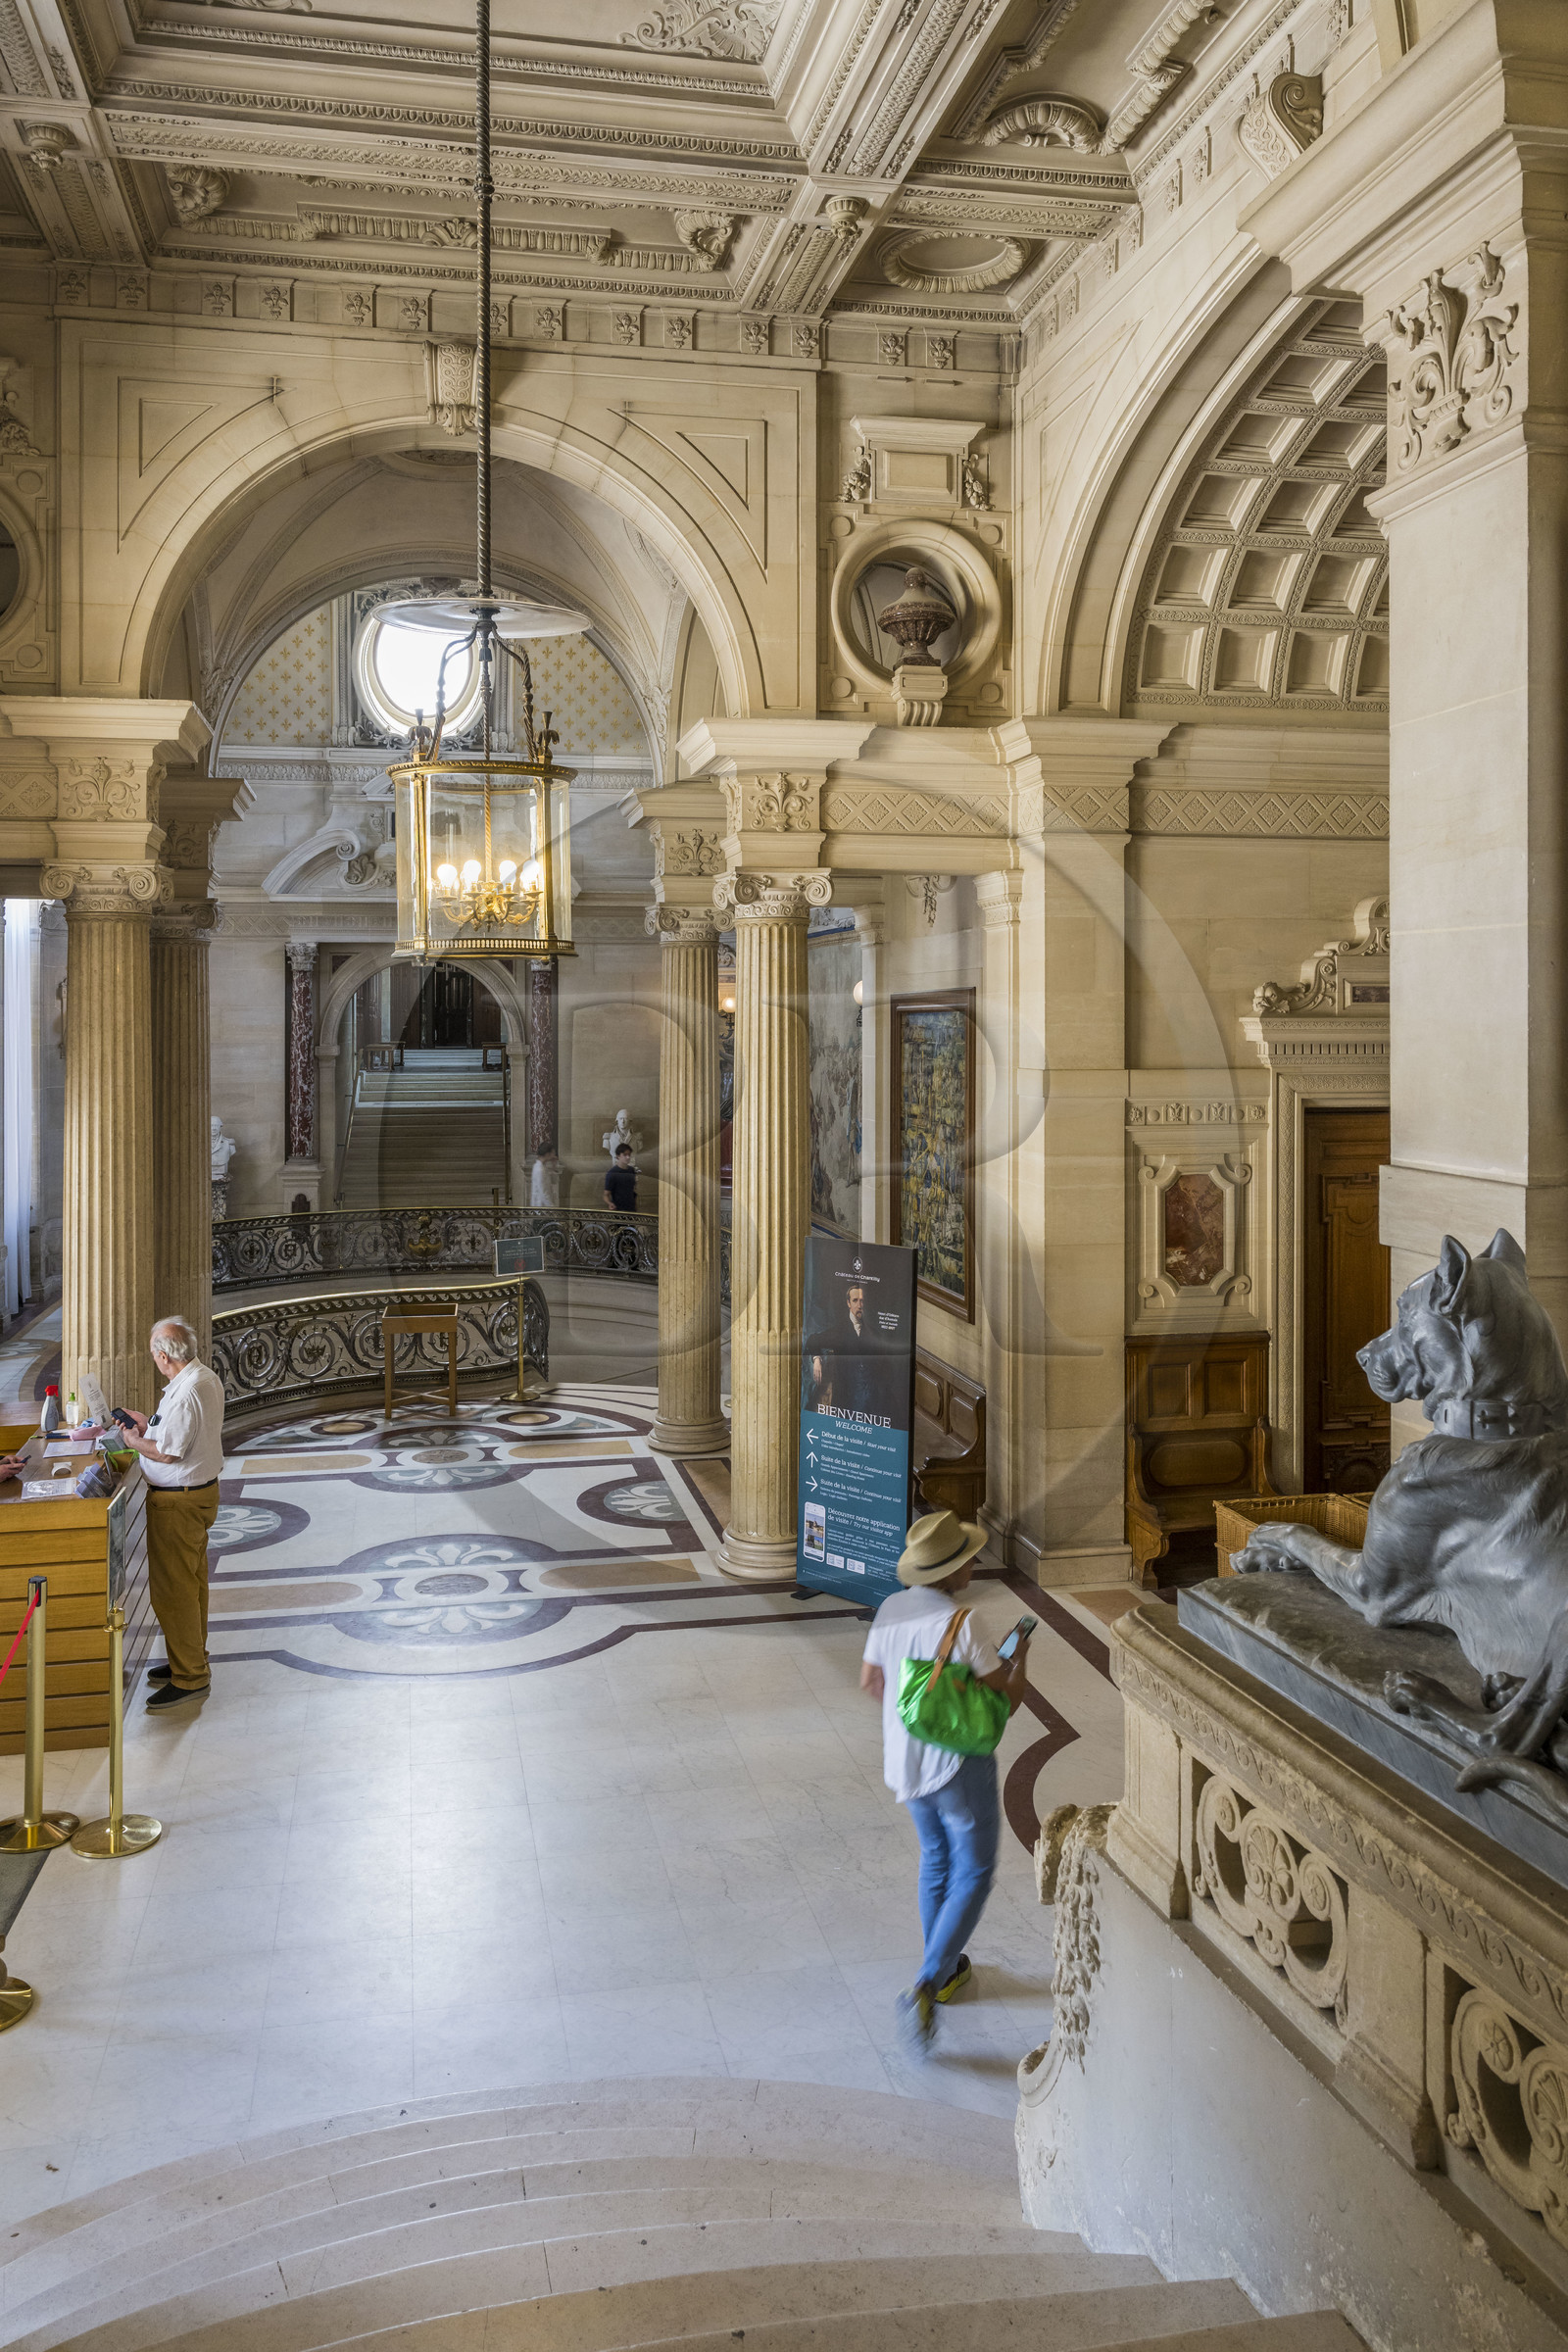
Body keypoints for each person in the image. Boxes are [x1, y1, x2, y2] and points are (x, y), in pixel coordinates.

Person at [860, 1508, 1031, 2052]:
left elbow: (871, 1681)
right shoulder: (961, 1622)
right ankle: (926, 1984)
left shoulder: (889, 1607)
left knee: (936, 1858)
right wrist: (1019, 1660)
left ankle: (947, 1967)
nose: (975, 1563)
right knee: (975, 1869)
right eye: (968, 1557)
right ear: (950, 1571)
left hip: (904, 1762)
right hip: (955, 1766)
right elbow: (1004, 1701)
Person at [110, 1318, 226, 1712]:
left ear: (162, 1356)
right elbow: (177, 1433)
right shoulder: (200, 1377)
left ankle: (190, 1676)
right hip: (195, 1495)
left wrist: (132, 1439)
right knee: (191, 1585)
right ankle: (189, 1657)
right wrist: (148, 1425)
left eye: (153, 1355)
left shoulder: (189, 1389)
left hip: (179, 1502)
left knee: (174, 1591)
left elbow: (168, 1452)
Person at [603, 1142, 637, 1212]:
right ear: (618, 1156)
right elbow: (606, 1195)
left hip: (631, 1208)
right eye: (625, 1155)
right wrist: (610, 1203)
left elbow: (632, 1190)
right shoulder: (612, 1173)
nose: (628, 1157)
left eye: (629, 1155)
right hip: (618, 1209)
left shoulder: (631, 1170)